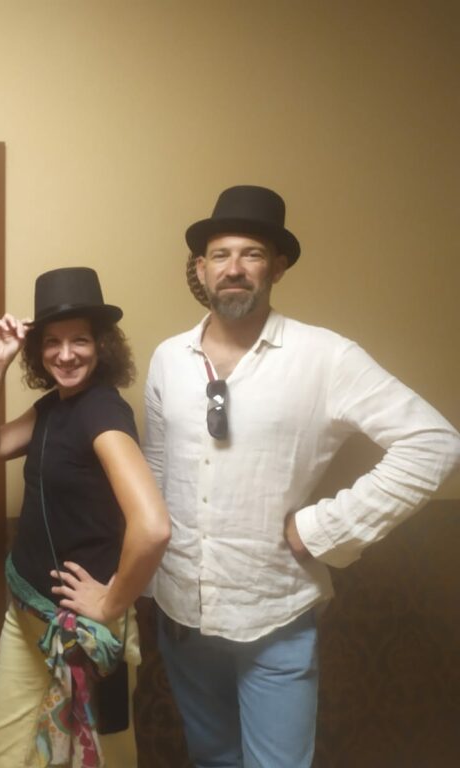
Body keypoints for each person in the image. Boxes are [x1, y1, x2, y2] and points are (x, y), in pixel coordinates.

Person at [143, 185, 460, 768]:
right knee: (211, 759)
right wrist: (141, 582)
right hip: (181, 611)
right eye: (220, 255)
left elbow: (434, 442)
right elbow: (157, 474)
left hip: (275, 615)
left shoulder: (326, 357)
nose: (234, 268)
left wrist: (324, 529)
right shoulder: (168, 358)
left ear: (278, 267)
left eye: (252, 254)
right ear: (201, 268)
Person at [0, 267, 171, 767]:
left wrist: (111, 603)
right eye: (52, 342)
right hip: (27, 618)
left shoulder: (103, 412)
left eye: (79, 339)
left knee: (97, 759)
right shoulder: (52, 407)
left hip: (82, 633)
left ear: (101, 345)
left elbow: (153, 527)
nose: (65, 354)